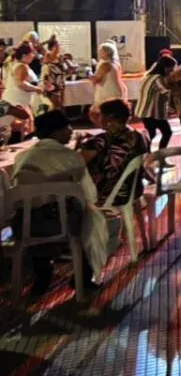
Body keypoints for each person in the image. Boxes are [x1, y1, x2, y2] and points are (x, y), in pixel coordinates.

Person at [11, 110, 113, 296]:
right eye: (68, 127)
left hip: (25, 225)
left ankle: (42, 274)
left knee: (34, 211)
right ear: (56, 132)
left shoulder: (21, 157)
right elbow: (88, 194)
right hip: (63, 223)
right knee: (92, 217)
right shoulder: (71, 157)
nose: (71, 131)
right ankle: (83, 277)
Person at [77, 99, 151, 206]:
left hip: (109, 194)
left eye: (100, 115)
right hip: (134, 191)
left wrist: (79, 144)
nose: (98, 118)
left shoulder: (100, 141)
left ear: (109, 117)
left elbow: (76, 163)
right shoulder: (140, 136)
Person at [135, 55, 176, 149]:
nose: (172, 71)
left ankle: (147, 153)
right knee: (166, 132)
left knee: (151, 134)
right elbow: (166, 91)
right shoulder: (158, 79)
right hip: (152, 112)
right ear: (165, 67)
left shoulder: (148, 76)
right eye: (171, 69)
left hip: (145, 111)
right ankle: (160, 153)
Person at [2, 42, 43, 128]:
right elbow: (21, 84)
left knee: (27, 123)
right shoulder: (22, 66)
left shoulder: (18, 64)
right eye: (31, 53)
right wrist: (37, 89)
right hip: (15, 103)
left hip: (15, 102)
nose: (33, 55)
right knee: (26, 123)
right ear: (24, 55)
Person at [40, 36, 70, 111]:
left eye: (58, 45)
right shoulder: (48, 55)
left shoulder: (61, 57)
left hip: (60, 85)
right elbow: (37, 47)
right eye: (56, 46)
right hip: (51, 86)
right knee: (55, 107)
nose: (58, 47)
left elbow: (69, 69)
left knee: (61, 107)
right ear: (51, 47)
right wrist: (48, 40)